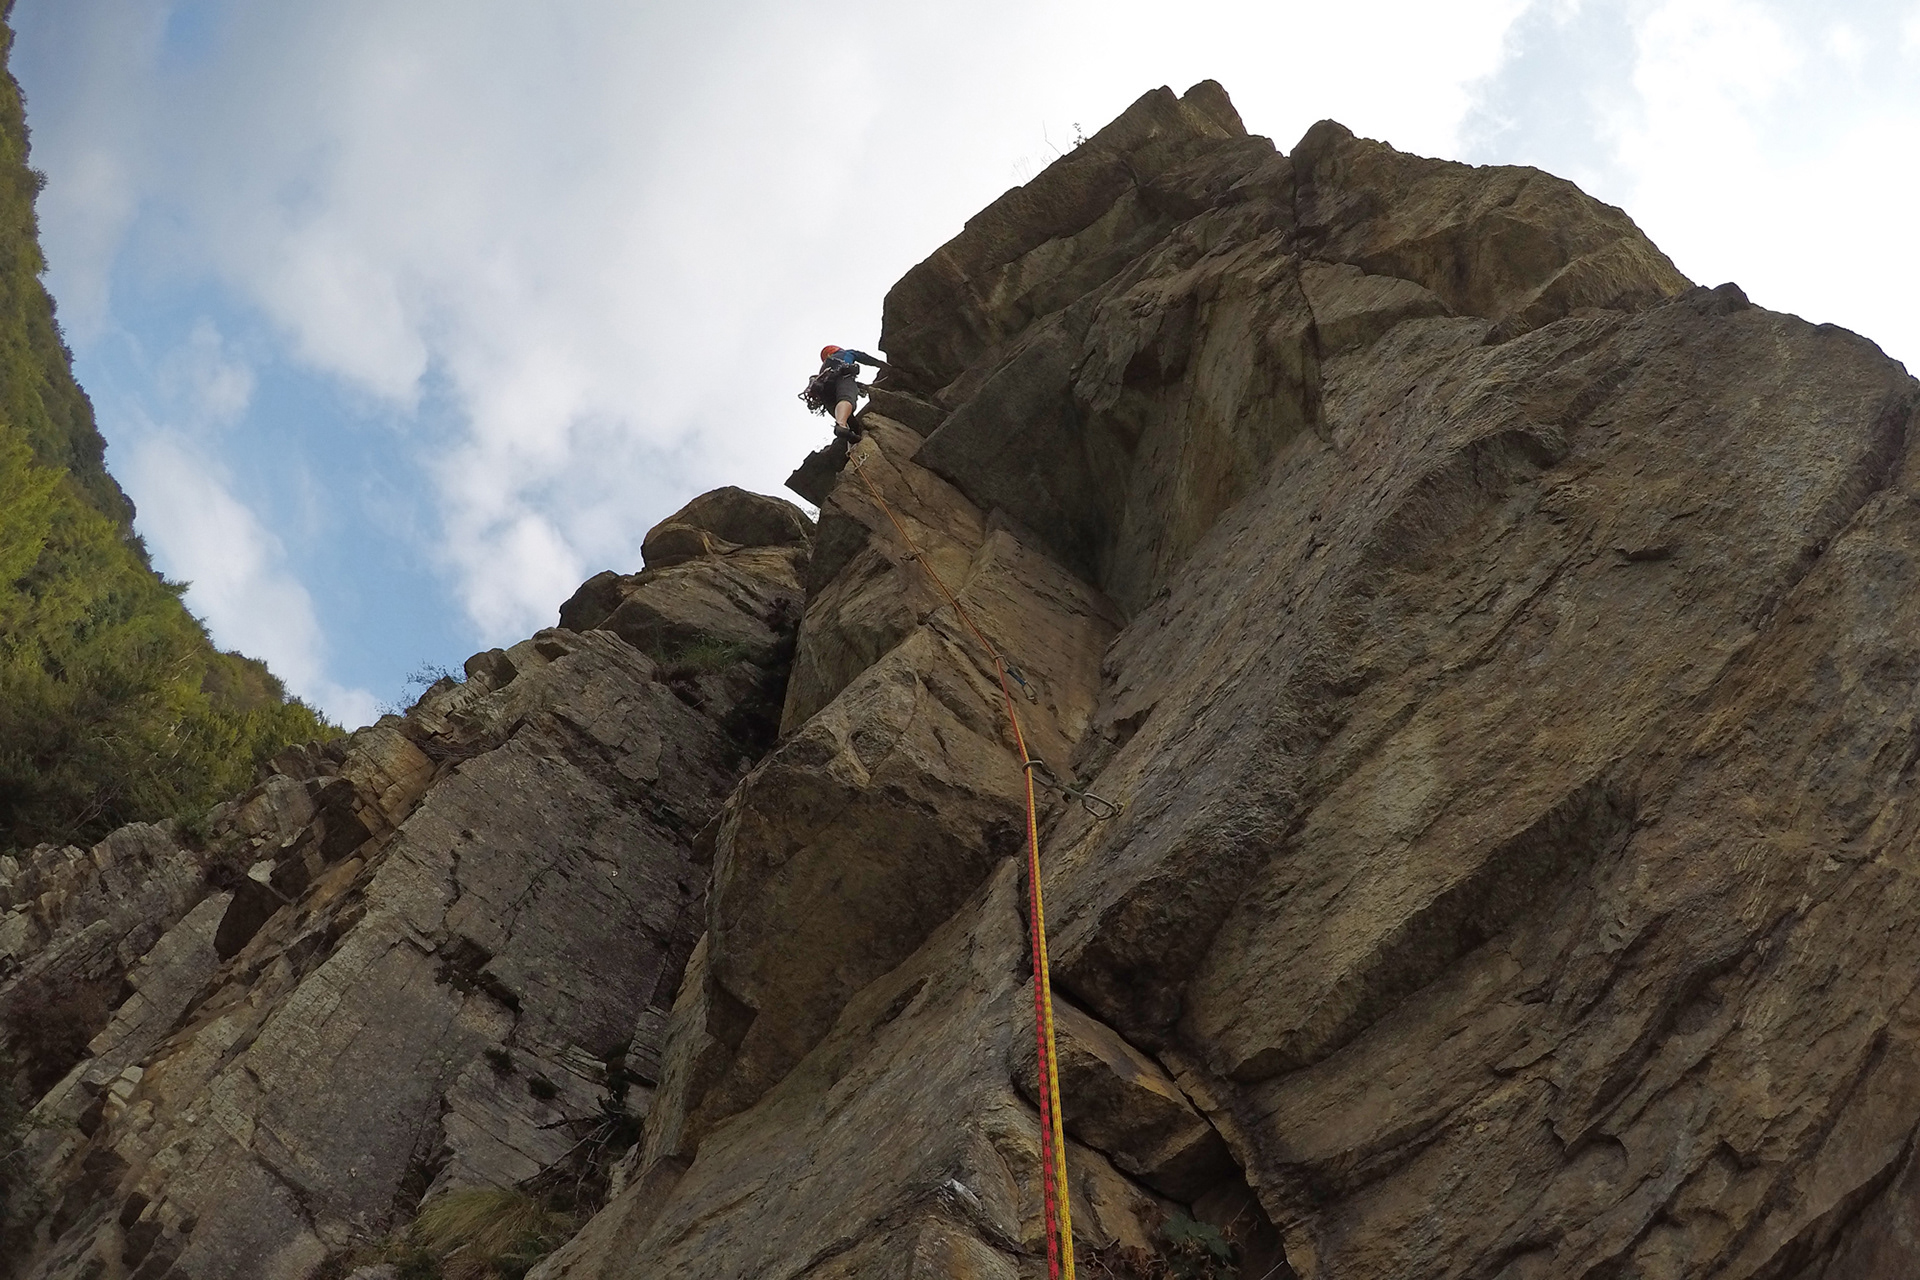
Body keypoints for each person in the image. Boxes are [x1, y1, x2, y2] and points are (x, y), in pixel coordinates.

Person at [806, 345, 888, 440]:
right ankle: (841, 425)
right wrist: (881, 364)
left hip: (824, 391)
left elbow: (833, 382)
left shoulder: (824, 368)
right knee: (846, 398)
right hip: (844, 375)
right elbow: (864, 357)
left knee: (846, 416)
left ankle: (852, 431)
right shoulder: (846, 353)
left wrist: (860, 386)